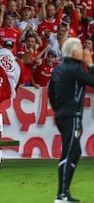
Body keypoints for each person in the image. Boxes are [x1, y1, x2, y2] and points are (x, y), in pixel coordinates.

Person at [48, 37, 94, 203]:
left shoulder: (58, 69)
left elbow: (50, 93)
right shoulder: (75, 69)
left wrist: (58, 109)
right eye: (81, 48)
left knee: (75, 152)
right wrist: (90, 65)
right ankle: (61, 194)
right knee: (69, 152)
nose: (84, 51)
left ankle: (65, 192)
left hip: (62, 115)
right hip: (72, 115)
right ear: (75, 52)